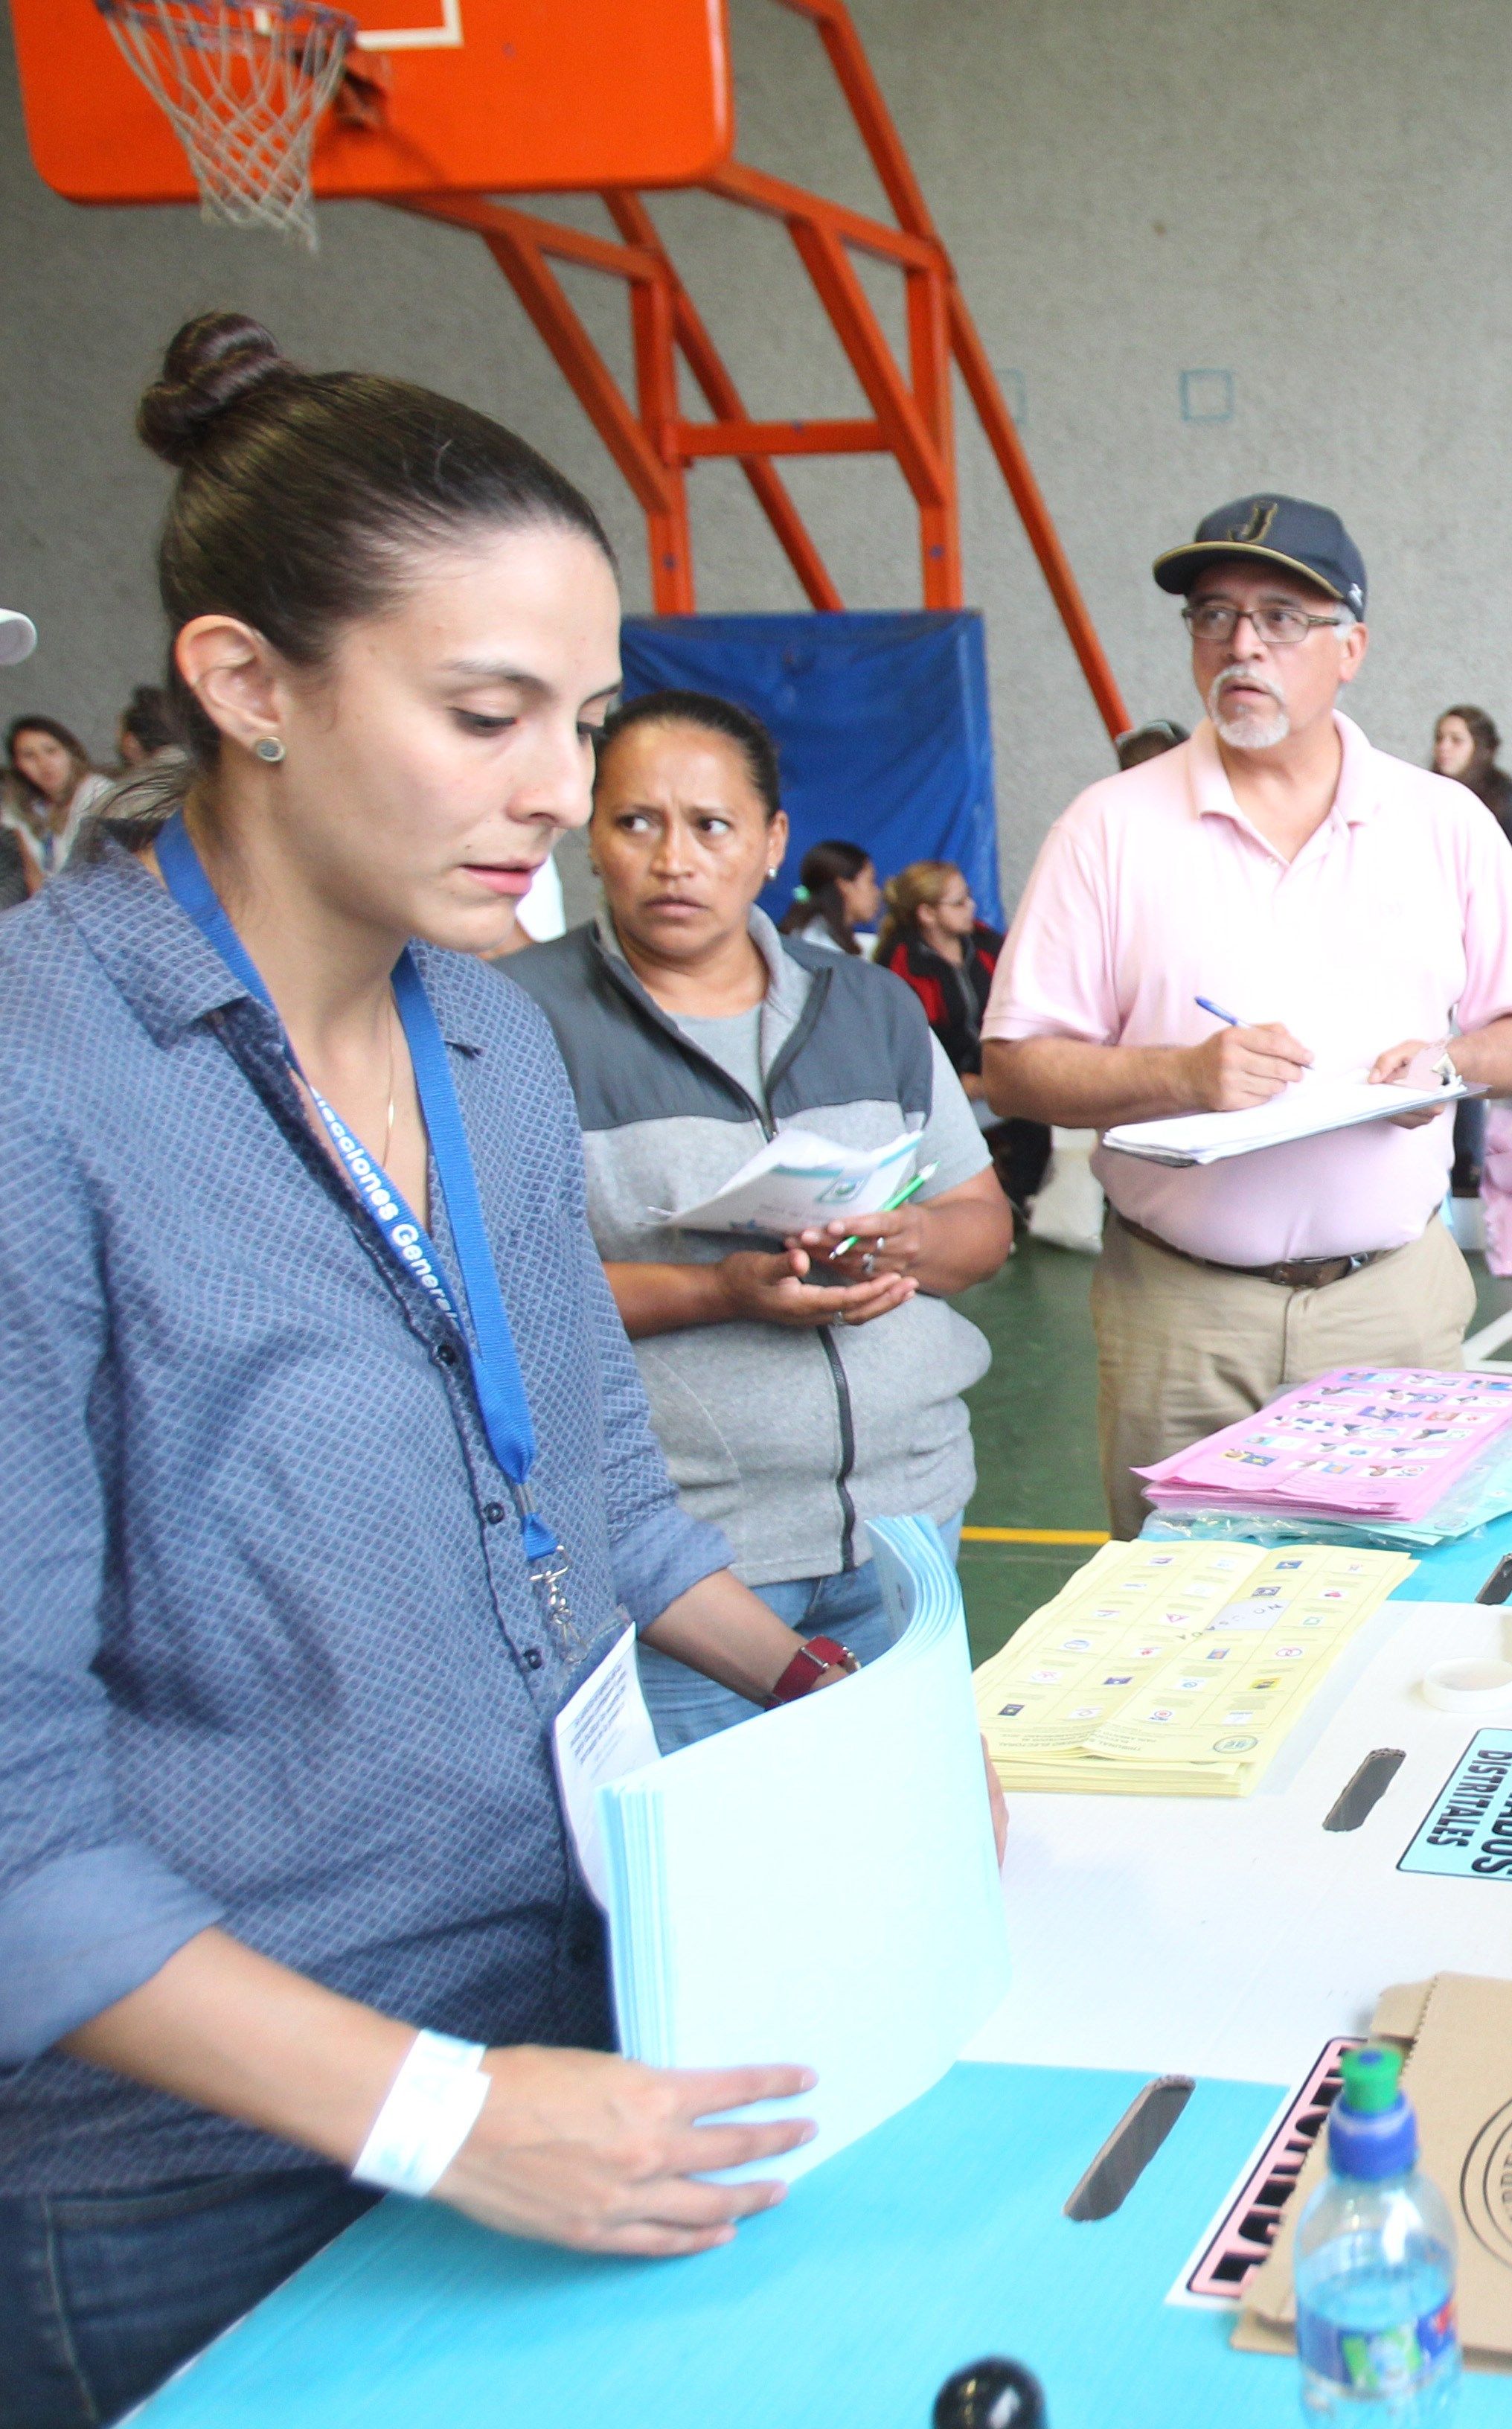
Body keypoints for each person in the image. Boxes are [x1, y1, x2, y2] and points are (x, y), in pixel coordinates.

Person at [0, 311, 884, 2423]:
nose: (562, 805)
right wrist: (438, 2116)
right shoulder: (44, 1088)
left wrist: (826, 1707)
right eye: (488, 717)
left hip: (563, 2025)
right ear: (246, 687)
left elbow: (601, 1487)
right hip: (201, 2174)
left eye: (575, 722)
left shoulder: (484, 1036)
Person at [984, 493, 1512, 1536]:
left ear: (1351, 647)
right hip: (1181, 1315)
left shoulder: (1442, 825)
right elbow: (1019, 1067)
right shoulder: (1109, 828)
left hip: (1390, 1300)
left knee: (1394, 1610)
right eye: (1213, 616)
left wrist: (1451, 1064)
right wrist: (1179, 1075)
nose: (1240, 645)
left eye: (1280, 618)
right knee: (1180, 1630)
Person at [507, 694, 1014, 1750]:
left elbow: (982, 1225)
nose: (674, 859)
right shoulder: (516, 1022)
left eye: (712, 825)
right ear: (589, 837)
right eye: (636, 822)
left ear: (772, 843)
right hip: (686, 1563)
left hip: (906, 1526)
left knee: (899, 1838)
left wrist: (907, 1240)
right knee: (723, 1883)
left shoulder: (869, 1006)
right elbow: (504, 1293)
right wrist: (718, 1290)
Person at [878, 857, 1054, 1223]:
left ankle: (1016, 1201)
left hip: (992, 1076)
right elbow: (901, 1049)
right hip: (933, 1089)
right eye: (959, 903)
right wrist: (960, 1083)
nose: (971, 907)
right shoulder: (898, 964)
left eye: (969, 897)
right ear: (926, 914)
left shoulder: (988, 945)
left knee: (1037, 1109)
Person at [1432, 705, 1512, 945]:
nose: (1443, 748)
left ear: (1480, 749)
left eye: (1456, 741)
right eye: (1439, 739)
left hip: (1491, 923)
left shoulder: (1505, 798)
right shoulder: (1426, 792)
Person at [6, 717, 111, 893]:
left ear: (70, 752)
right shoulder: (24, 808)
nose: (44, 764)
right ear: (18, 766)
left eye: (51, 751)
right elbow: (32, 876)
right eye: (29, 756)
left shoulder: (97, 792)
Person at [778, 836, 876, 956]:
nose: (876, 892)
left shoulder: (804, 934)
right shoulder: (816, 944)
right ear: (845, 886)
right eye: (871, 882)